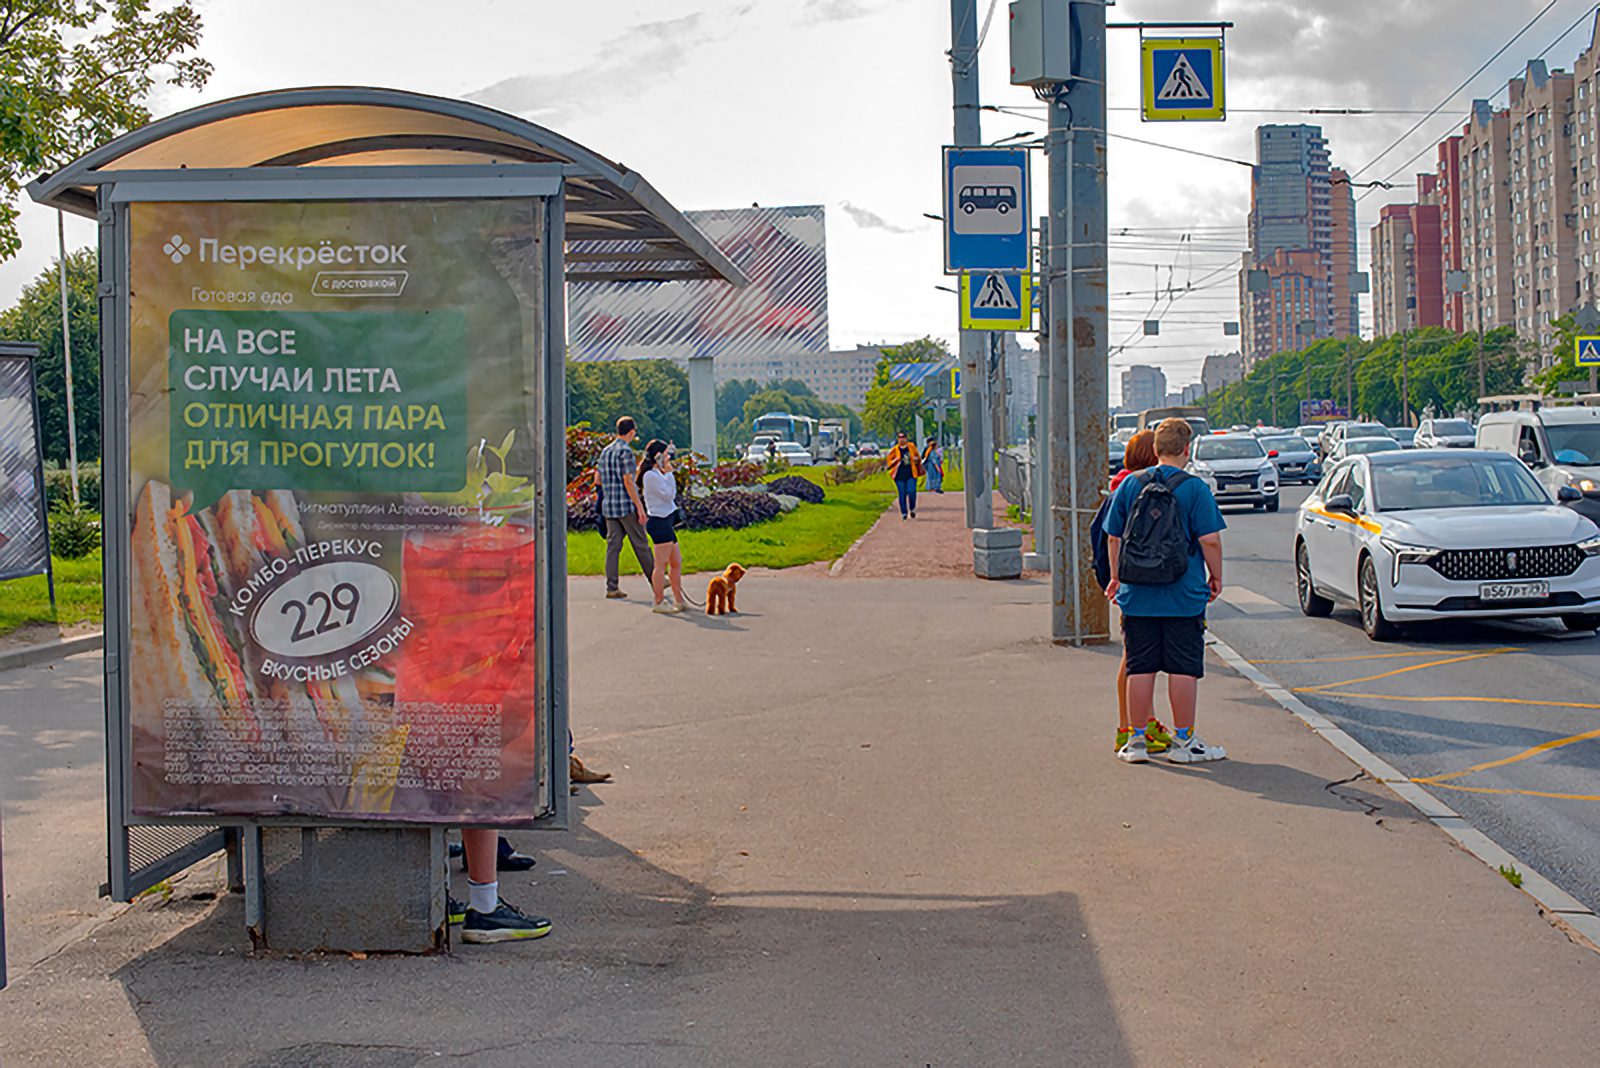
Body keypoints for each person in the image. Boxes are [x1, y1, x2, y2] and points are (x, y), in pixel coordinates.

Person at [1103, 417, 1227, 764]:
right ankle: (1184, 742)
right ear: (1186, 449)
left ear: (1156, 449)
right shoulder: (1195, 489)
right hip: (1183, 594)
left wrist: (1116, 577)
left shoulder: (1129, 486)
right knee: (1182, 668)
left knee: (1140, 666)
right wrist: (1215, 577)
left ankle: (1137, 741)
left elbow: (1113, 537)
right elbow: (1210, 540)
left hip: (1137, 592)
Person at [1095, 430, 1173, 756]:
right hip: (1133, 583)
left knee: (1137, 658)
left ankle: (1143, 720)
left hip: (1123, 581)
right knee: (1134, 659)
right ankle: (1128, 727)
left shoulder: (1122, 488)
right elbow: (1109, 540)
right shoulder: (1132, 491)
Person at [599, 417, 654, 600]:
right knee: (641, 544)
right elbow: (628, 481)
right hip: (626, 505)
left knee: (613, 547)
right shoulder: (626, 452)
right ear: (631, 431)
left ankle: (612, 586)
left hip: (609, 506)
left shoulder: (605, 452)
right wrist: (639, 506)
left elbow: (597, 479)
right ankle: (657, 581)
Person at [638, 439, 689, 614]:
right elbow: (668, 495)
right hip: (658, 521)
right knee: (661, 564)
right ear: (658, 456)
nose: (669, 457)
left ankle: (679, 599)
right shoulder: (650, 476)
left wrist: (667, 474)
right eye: (666, 454)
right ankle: (659, 601)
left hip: (667, 520)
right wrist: (670, 475)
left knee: (676, 561)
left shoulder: (659, 474)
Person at [885, 430, 924, 519]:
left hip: (911, 474)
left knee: (912, 491)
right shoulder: (895, 449)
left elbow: (918, 458)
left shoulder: (911, 446)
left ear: (906, 438)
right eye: (900, 437)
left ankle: (912, 508)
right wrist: (895, 461)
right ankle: (904, 513)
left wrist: (915, 459)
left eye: (903, 437)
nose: (901, 439)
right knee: (902, 494)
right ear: (897, 439)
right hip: (899, 475)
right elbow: (889, 461)